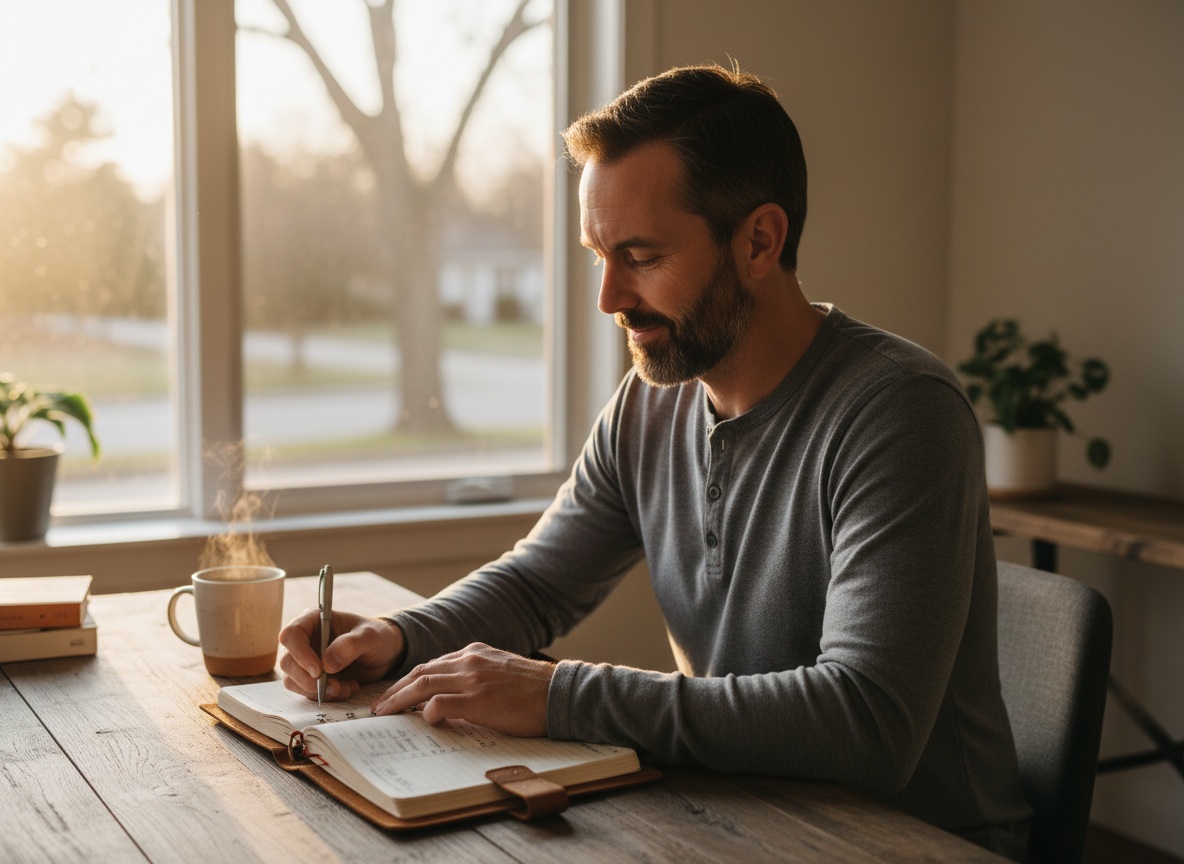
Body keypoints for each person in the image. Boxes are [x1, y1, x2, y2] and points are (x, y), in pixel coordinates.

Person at [279, 64, 1032, 859]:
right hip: (746, 817)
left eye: (638, 255)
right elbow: (539, 583)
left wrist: (558, 693)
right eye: (598, 254)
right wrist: (400, 637)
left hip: (911, 843)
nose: (608, 296)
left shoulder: (900, 410)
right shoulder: (652, 401)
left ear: (759, 241)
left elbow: (866, 722)